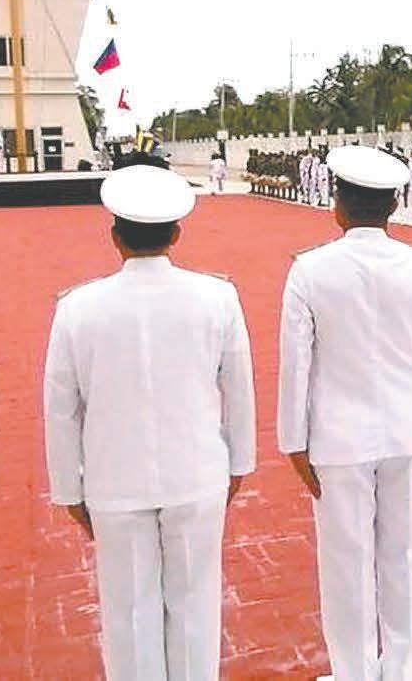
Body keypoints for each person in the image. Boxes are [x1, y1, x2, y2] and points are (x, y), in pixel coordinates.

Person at [45, 166, 253, 679]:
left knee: (128, 613)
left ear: (114, 236)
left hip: (114, 480)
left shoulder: (78, 308)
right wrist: (237, 465)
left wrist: (69, 489)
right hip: (197, 473)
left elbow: (62, 408)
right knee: (196, 606)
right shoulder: (216, 297)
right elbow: (238, 388)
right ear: (176, 234)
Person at [279, 146, 412, 680]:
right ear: (394, 205)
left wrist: (293, 441)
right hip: (408, 430)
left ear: (337, 204)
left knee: (346, 563)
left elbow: (295, 364)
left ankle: (354, 671)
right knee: (405, 555)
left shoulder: (310, 270)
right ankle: (404, 670)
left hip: (337, 437)